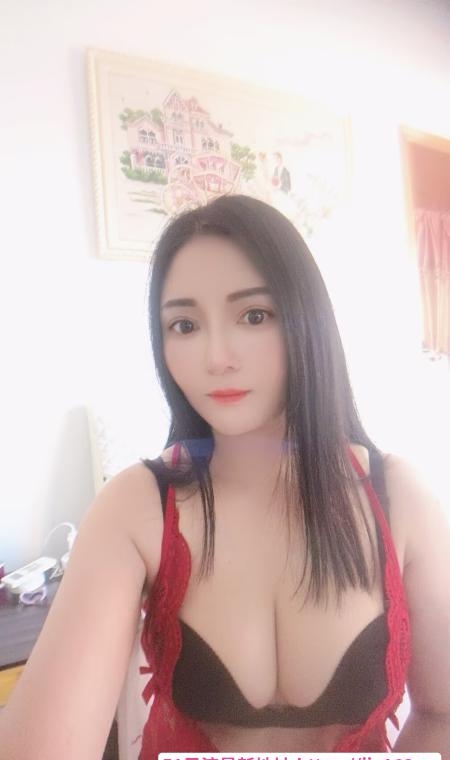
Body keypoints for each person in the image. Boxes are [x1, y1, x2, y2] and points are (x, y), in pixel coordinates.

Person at [0, 195, 449, 760]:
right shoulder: (137, 507)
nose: (216, 357)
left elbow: (443, 712)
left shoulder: (400, 498)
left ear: (307, 321)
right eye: (185, 325)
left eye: (254, 315)